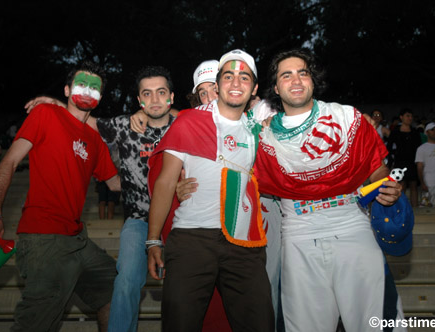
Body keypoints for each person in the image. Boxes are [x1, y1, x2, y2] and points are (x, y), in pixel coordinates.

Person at [252, 49, 402, 332]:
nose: (296, 80)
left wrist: (388, 184)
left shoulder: (347, 118)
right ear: (275, 87)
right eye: (286, 75)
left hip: (352, 228)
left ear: (312, 80)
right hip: (299, 235)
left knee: (372, 323)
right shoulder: (264, 136)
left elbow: (376, 168)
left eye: (303, 72)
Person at [25, 65, 177, 332]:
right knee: (125, 281)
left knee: (185, 288)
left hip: (180, 219)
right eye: (147, 94)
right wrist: (56, 103)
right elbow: (85, 120)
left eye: (161, 93)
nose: (154, 100)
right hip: (138, 220)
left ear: (171, 97)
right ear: (139, 100)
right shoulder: (124, 126)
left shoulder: (185, 125)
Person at [0, 61, 121, 331]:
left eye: (95, 88)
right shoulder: (46, 113)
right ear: (68, 90)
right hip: (44, 238)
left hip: (78, 240)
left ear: (100, 98)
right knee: (36, 324)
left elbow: (115, 184)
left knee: (118, 290)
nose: (87, 91)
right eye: (82, 84)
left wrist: (162, 176)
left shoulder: (94, 140)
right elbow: (8, 162)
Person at [146, 49, 275, 332]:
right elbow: (166, 182)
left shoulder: (260, 128)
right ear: (218, 86)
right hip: (192, 239)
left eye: (244, 77)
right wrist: (153, 240)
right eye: (228, 76)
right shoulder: (190, 120)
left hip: (245, 244)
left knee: (261, 323)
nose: (236, 82)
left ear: (253, 88)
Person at [387, 108, 422, 206]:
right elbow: (389, 148)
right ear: (401, 117)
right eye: (407, 116)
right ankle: (402, 208)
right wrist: (390, 164)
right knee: (401, 186)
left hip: (412, 161)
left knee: (413, 185)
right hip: (399, 161)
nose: (410, 118)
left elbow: (419, 148)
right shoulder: (395, 132)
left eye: (411, 116)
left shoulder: (415, 132)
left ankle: (415, 209)